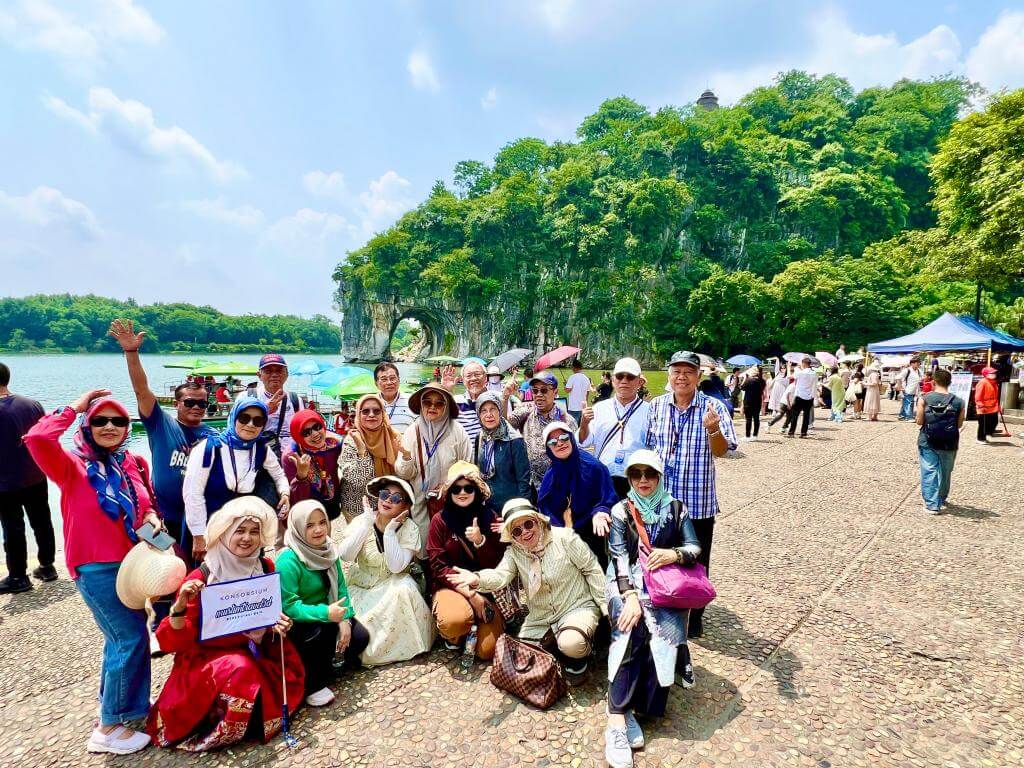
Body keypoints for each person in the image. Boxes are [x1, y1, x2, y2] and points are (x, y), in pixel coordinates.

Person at [24, 389, 159, 754]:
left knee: (125, 638)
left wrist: (149, 516)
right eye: (100, 420)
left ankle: (121, 707)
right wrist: (75, 405)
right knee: (128, 639)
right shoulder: (70, 465)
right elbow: (37, 437)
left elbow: (145, 503)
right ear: (87, 425)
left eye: (118, 421)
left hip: (133, 565)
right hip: (96, 566)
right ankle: (107, 727)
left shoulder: (130, 463)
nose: (110, 426)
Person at [148, 498, 303, 751]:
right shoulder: (202, 578)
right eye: (239, 531)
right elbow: (173, 641)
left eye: (254, 531)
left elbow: (270, 614)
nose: (247, 538)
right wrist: (178, 608)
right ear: (224, 533)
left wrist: (277, 625)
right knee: (242, 670)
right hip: (209, 662)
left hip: (256, 655)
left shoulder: (265, 567)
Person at [603, 450, 701, 768]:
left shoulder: (676, 508)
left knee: (665, 631)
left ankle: (636, 706)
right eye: (636, 474)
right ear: (629, 478)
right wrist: (629, 595)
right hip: (626, 583)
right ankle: (617, 715)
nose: (643, 480)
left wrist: (674, 555)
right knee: (630, 626)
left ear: (659, 476)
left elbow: (694, 548)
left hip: (665, 586)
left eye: (650, 474)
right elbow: (618, 558)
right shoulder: (621, 511)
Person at [450, 499, 607, 676]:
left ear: (538, 520)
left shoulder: (565, 538)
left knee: (571, 644)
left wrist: (605, 608)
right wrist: (477, 578)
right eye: (517, 530)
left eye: (528, 523)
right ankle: (555, 643)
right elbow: (501, 576)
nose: (525, 532)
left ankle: (581, 653)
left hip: (576, 607)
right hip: (541, 616)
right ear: (512, 536)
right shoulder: (514, 553)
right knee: (520, 660)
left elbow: (592, 570)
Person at [108, 319, 217, 565]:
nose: (196, 407)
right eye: (189, 402)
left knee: (199, 570)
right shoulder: (161, 424)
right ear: (176, 403)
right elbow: (141, 390)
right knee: (167, 567)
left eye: (202, 403)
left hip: (200, 518)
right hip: (164, 516)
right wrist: (131, 352)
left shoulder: (213, 436)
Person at [644, 351, 736, 638]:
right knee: (659, 558)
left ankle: (695, 614)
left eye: (688, 371)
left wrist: (713, 431)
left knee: (696, 560)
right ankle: (664, 604)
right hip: (661, 503)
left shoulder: (713, 408)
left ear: (698, 376)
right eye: (676, 371)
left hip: (697, 501)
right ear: (669, 375)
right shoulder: (656, 406)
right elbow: (648, 450)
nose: (681, 377)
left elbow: (722, 451)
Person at [278, 499, 370, 707]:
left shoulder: (328, 549)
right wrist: (326, 613)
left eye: (322, 522)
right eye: (309, 525)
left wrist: (345, 618)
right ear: (298, 528)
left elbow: (341, 586)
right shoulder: (288, 560)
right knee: (320, 635)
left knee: (360, 637)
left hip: (331, 611)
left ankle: (328, 665)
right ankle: (312, 684)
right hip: (303, 621)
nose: (319, 530)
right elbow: (289, 606)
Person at [337, 476, 435, 665]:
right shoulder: (363, 520)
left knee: (405, 588)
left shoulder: (409, 528)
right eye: (384, 495)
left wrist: (390, 532)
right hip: (362, 586)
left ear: (405, 507)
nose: (388, 500)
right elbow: (345, 556)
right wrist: (366, 523)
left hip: (393, 583)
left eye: (397, 498)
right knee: (364, 623)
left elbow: (396, 566)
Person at [183, 398, 290, 562]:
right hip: (210, 527)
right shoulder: (209, 448)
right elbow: (192, 493)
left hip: (244, 530)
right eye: (244, 418)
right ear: (234, 418)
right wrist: (198, 535)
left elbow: (278, 474)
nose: (251, 424)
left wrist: (284, 493)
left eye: (258, 420)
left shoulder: (261, 448)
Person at [427, 462, 506, 657]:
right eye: (456, 488)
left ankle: (471, 627)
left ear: (477, 490)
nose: (462, 492)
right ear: (449, 492)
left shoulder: (489, 517)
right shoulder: (440, 520)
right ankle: (454, 634)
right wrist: (471, 595)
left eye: (468, 488)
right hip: (450, 586)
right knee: (455, 622)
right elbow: (438, 566)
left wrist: (480, 541)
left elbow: (498, 563)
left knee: (488, 651)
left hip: (483, 586)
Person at [0, 362, 56, 594]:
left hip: (5, 480)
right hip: (35, 474)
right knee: (41, 520)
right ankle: (47, 566)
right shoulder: (32, 404)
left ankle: (18, 577)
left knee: (12, 527)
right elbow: (44, 436)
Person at [395, 383, 472, 549]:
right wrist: (407, 458)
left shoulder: (458, 431)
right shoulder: (412, 432)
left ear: (446, 407)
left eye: (439, 403)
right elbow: (405, 474)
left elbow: (468, 467)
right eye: (427, 402)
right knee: (424, 545)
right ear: (421, 405)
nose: (432, 407)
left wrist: (448, 486)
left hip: (452, 502)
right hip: (420, 503)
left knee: (451, 545)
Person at [538, 422, 616, 569]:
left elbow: (607, 497)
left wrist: (601, 511)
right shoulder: (552, 474)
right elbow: (545, 507)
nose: (559, 443)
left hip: (591, 531)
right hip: (562, 536)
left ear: (572, 439)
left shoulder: (594, 467)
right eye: (553, 442)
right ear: (548, 448)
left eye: (564, 437)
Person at [577, 357, 651, 499]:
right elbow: (583, 442)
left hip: (637, 480)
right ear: (613, 380)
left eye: (630, 377)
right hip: (604, 477)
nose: (624, 381)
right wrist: (584, 424)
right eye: (619, 376)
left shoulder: (650, 411)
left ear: (639, 382)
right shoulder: (599, 408)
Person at [504, 371, 579, 487]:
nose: (539, 394)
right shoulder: (526, 413)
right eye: (535, 391)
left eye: (544, 390)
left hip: (560, 484)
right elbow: (505, 426)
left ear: (555, 392)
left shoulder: (566, 421)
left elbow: (576, 454)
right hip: (532, 485)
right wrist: (505, 398)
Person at [334, 393, 401, 521]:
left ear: (383, 414)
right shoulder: (352, 439)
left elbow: (402, 472)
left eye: (376, 411)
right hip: (357, 506)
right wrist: (362, 451)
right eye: (365, 411)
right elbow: (357, 480)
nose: (371, 415)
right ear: (358, 415)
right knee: (358, 540)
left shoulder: (393, 436)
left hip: (387, 504)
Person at [914, 369, 966, 514]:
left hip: (928, 440)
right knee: (945, 471)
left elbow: (919, 421)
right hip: (950, 442)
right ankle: (941, 497)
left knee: (929, 470)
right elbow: (959, 424)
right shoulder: (959, 402)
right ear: (950, 383)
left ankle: (932, 504)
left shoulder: (924, 398)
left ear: (933, 382)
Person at [472, 391, 531, 512]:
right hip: (487, 507)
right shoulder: (480, 437)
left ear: (499, 411)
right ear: (478, 414)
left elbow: (524, 482)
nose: (489, 415)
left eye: (493, 409)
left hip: (511, 507)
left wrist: (521, 511)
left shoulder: (514, 441)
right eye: (484, 410)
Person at [283, 408, 345, 522]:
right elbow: (296, 497)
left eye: (317, 427)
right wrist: (301, 476)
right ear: (298, 436)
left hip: (332, 498)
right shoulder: (292, 456)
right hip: (308, 504)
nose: (315, 434)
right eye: (306, 432)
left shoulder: (336, 443)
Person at [238, 353, 305, 457]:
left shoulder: (295, 400)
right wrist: (264, 410)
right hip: (254, 456)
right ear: (259, 375)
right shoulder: (246, 397)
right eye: (268, 371)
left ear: (287, 374)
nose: (274, 375)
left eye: (279, 370)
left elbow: (303, 431)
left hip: (288, 459)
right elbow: (233, 430)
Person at [443, 360, 488, 441]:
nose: (473, 378)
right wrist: (445, 391)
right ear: (463, 380)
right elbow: (440, 421)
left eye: (477, 374)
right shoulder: (455, 401)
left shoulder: (496, 399)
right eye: (468, 376)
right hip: (464, 452)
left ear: (486, 378)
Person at [787, 358, 817, 438]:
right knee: (806, 416)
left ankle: (791, 433)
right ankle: (803, 433)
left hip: (800, 396)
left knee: (795, 415)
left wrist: (788, 367)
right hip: (809, 397)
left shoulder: (800, 373)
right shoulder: (814, 374)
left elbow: (789, 376)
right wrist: (813, 397)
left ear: (803, 363)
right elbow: (814, 386)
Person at [974, 366, 1001, 444]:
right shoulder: (982, 382)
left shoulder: (994, 382)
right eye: (991, 373)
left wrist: (997, 406)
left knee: (994, 421)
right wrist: (980, 405)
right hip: (984, 407)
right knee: (983, 424)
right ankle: (980, 438)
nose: (994, 374)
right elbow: (978, 395)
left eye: (994, 373)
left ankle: (987, 434)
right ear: (986, 374)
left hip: (992, 407)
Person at [740, 368, 766, 440]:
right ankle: (755, 436)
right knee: (756, 418)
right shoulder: (763, 381)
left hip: (748, 401)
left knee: (748, 419)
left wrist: (745, 378)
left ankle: (747, 436)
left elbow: (742, 388)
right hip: (758, 401)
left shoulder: (749, 380)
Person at [565, 360, 592, 425]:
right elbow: (587, 393)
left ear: (574, 367)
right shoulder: (586, 378)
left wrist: (565, 385)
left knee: (572, 427)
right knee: (580, 427)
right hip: (583, 407)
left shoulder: (572, 377)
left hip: (573, 407)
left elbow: (567, 390)